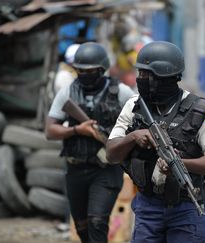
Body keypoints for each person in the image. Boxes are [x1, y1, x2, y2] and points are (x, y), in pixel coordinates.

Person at [105, 41, 205, 242]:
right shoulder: (133, 107)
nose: (141, 79)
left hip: (187, 207)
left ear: (167, 78)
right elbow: (111, 154)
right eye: (140, 74)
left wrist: (180, 165)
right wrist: (132, 137)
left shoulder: (200, 112)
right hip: (148, 206)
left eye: (148, 75)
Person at [45, 42, 134, 242]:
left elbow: (138, 125)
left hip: (106, 169)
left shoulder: (121, 92)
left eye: (90, 70)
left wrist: (114, 137)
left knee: (97, 221)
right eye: (80, 70)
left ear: (102, 69)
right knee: (82, 227)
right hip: (75, 168)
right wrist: (78, 130)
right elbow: (50, 130)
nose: (84, 74)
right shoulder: (68, 92)